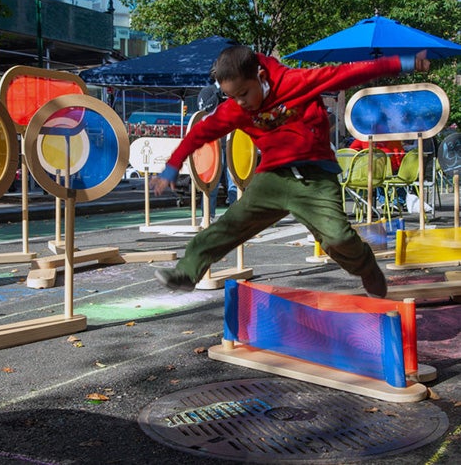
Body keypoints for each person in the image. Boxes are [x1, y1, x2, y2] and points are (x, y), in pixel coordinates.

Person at [151, 45, 429, 297]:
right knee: (229, 226)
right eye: (232, 97)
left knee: (338, 239)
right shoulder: (235, 108)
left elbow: (348, 73)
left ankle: (367, 267)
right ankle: (187, 271)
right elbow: (200, 133)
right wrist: (173, 165)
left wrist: (405, 62)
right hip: (272, 178)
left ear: (260, 75)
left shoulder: (296, 82)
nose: (241, 103)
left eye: (244, 93)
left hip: (315, 177)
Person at [197, 81, 237, 222]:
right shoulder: (208, 91)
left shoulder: (234, 91)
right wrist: (218, 94)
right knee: (210, 182)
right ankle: (208, 215)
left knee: (234, 181)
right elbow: (203, 110)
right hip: (213, 144)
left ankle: (235, 216)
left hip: (231, 142)